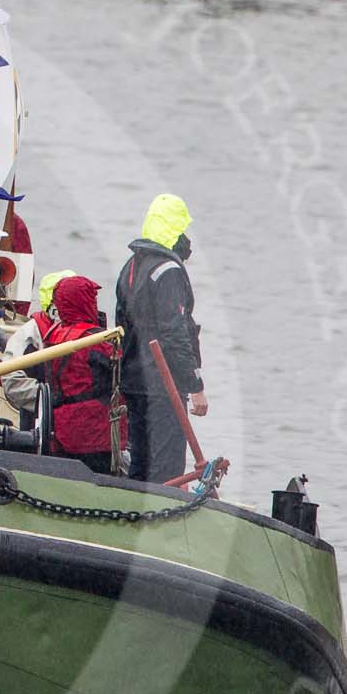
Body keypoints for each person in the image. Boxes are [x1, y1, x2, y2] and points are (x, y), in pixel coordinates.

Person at [114, 193, 207, 483]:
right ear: (174, 231)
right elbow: (175, 333)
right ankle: (159, 519)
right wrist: (195, 385)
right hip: (162, 386)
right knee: (166, 467)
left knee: (140, 462)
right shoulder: (168, 271)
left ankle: (134, 517)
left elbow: (121, 325)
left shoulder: (130, 267)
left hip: (134, 381)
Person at [40, 274, 127, 477]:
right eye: (92, 298)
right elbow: (123, 376)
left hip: (62, 428)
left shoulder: (53, 336)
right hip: (95, 433)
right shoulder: (98, 340)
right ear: (84, 301)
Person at [0, 268, 77, 424]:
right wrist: (50, 397)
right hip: (38, 420)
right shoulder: (29, 336)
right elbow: (12, 381)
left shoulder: (90, 333)